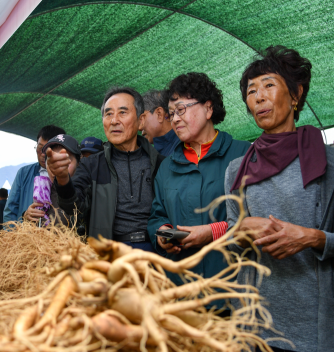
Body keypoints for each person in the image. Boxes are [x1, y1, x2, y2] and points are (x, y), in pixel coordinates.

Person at [224, 46, 334, 352]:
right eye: (251, 91)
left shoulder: (332, 162)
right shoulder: (236, 169)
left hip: (313, 321)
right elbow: (229, 236)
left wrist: (312, 237)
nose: (259, 97)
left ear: (296, 95)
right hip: (257, 316)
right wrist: (240, 232)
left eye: (269, 85)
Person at [147, 73, 250, 287]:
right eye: (171, 113)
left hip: (232, 286)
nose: (175, 119)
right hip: (182, 287)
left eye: (181, 110)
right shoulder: (166, 167)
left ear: (208, 109)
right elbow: (157, 216)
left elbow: (260, 215)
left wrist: (214, 232)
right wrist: (164, 234)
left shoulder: (243, 155)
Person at [47, 87, 164, 250]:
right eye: (108, 114)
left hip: (155, 252)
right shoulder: (91, 165)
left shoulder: (160, 163)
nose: (114, 120)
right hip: (108, 255)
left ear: (141, 120)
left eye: (122, 112)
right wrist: (63, 178)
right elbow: (74, 207)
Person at [3, 125, 66, 223]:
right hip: (28, 235)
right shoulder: (23, 174)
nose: (43, 154)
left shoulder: (68, 177)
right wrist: (23, 218)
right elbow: (10, 211)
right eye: (40, 148)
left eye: (48, 149)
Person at [24, 134, 81, 227]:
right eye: (52, 160)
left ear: (78, 163)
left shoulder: (84, 194)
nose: (57, 166)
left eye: (64, 159)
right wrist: (27, 217)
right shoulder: (42, 192)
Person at [140, 89, 179, 157]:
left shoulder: (184, 146)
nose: (140, 128)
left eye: (142, 118)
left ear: (159, 114)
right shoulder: (156, 155)